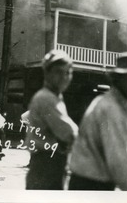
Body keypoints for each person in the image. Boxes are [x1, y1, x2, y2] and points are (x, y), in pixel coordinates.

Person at [68, 52, 127, 191]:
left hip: (87, 180)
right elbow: (119, 164)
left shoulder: (113, 104)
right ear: (118, 79)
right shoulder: (111, 109)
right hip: (91, 184)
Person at [25, 49, 78, 190]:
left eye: (68, 72)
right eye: (59, 72)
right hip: (46, 166)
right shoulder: (46, 98)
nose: (64, 77)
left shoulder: (54, 97)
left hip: (50, 164)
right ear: (47, 73)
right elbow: (69, 133)